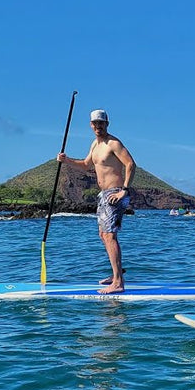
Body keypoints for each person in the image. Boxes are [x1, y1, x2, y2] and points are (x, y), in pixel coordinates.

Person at [57, 109, 136, 294]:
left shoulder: (113, 143)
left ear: (107, 123)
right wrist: (66, 160)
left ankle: (118, 282)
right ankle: (117, 274)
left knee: (110, 236)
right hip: (104, 195)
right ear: (91, 125)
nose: (98, 126)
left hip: (115, 194)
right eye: (95, 123)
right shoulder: (95, 145)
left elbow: (131, 164)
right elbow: (85, 165)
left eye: (101, 123)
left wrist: (124, 191)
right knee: (104, 235)